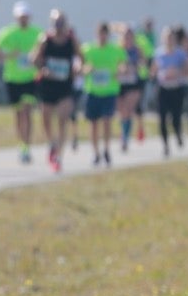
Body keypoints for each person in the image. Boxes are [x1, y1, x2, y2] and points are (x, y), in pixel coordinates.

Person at [0, 2, 42, 162]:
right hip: (12, 78)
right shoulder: (7, 33)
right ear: (16, 17)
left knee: (27, 110)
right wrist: (10, 55)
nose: (23, 20)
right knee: (19, 114)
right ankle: (21, 144)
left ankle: (27, 145)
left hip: (31, 78)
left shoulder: (38, 33)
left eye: (25, 17)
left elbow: (44, 53)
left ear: (29, 17)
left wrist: (37, 61)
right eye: (20, 17)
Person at [32, 9, 78, 173]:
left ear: (65, 24)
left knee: (63, 119)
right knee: (46, 118)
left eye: (61, 23)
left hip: (65, 85)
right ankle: (52, 143)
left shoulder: (71, 40)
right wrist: (43, 69)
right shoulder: (45, 39)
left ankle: (59, 156)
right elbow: (34, 59)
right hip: (48, 85)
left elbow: (81, 59)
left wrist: (78, 69)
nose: (58, 26)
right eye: (55, 23)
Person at [79, 21, 125, 167]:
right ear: (96, 35)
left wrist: (121, 70)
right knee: (93, 124)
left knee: (106, 121)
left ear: (108, 35)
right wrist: (86, 69)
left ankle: (106, 149)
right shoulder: (87, 49)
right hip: (92, 91)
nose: (102, 37)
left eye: (105, 35)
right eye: (100, 34)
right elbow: (79, 66)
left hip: (109, 91)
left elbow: (124, 64)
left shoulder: (116, 49)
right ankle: (95, 152)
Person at [154, 24, 188, 156]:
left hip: (176, 88)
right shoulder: (158, 53)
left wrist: (177, 71)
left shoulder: (181, 53)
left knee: (176, 117)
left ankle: (178, 134)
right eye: (167, 37)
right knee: (162, 118)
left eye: (171, 37)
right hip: (163, 88)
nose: (169, 40)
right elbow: (153, 71)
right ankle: (165, 145)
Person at [115, 24, 144, 153]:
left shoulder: (137, 50)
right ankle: (124, 132)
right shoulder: (117, 49)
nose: (127, 38)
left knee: (129, 109)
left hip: (133, 83)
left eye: (130, 36)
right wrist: (120, 68)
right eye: (125, 36)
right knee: (122, 111)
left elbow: (143, 64)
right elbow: (113, 64)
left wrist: (134, 65)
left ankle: (125, 138)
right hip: (120, 83)